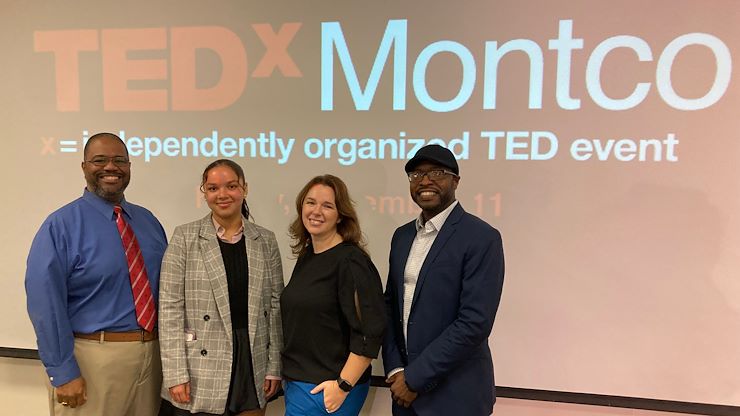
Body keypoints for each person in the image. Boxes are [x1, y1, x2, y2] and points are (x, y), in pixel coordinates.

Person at [25, 132, 167, 416]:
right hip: (91, 360)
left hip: (153, 358)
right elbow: (45, 305)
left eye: (119, 160)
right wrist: (63, 371)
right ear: (84, 167)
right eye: (99, 160)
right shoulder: (60, 226)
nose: (110, 167)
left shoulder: (149, 222)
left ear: (129, 166)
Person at [382, 144, 505, 415]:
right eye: (416, 174)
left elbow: (474, 323)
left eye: (436, 172)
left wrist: (414, 378)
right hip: (404, 397)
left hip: (456, 397)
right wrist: (395, 369)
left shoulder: (482, 237)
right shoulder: (401, 237)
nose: (424, 181)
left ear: (455, 181)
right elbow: (389, 306)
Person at [158, 159, 284, 416]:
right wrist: (175, 373)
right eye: (213, 188)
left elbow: (275, 307)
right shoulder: (185, 237)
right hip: (199, 368)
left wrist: (274, 366)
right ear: (204, 192)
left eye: (231, 186)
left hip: (252, 361)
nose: (222, 194)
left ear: (244, 189)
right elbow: (170, 309)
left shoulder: (265, 240)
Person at [280, 175, 385, 415]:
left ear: (340, 215)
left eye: (327, 205)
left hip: (327, 390)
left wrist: (342, 386)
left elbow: (370, 331)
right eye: (310, 202)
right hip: (299, 384)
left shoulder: (351, 262)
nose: (316, 211)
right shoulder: (308, 256)